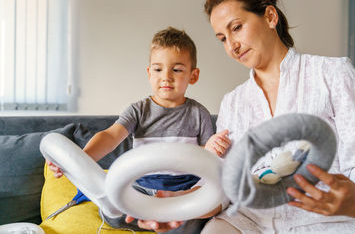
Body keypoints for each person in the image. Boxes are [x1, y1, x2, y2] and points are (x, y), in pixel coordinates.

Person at [199, 0, 355, 234]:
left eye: (236, 28)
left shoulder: (333, 75)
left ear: (270, 17)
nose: (231, 46)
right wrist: (174, 210)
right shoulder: (232, 102)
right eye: (222, 38)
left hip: (324, 221)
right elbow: (227, 186)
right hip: (248, 221)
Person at [47, 26, 231, 233]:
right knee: (112, 212)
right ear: (149, 73)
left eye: (177, 69)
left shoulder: (199, 113)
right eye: (158, 69)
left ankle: (167, 217)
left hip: (183, 190)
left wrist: (213, 147)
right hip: (142, 187)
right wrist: (79, 159)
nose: (166, 77)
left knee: (197, 217)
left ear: (193, 75)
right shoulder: (138, 110)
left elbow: (207, 156)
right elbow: (110, 136)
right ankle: (152, 216)